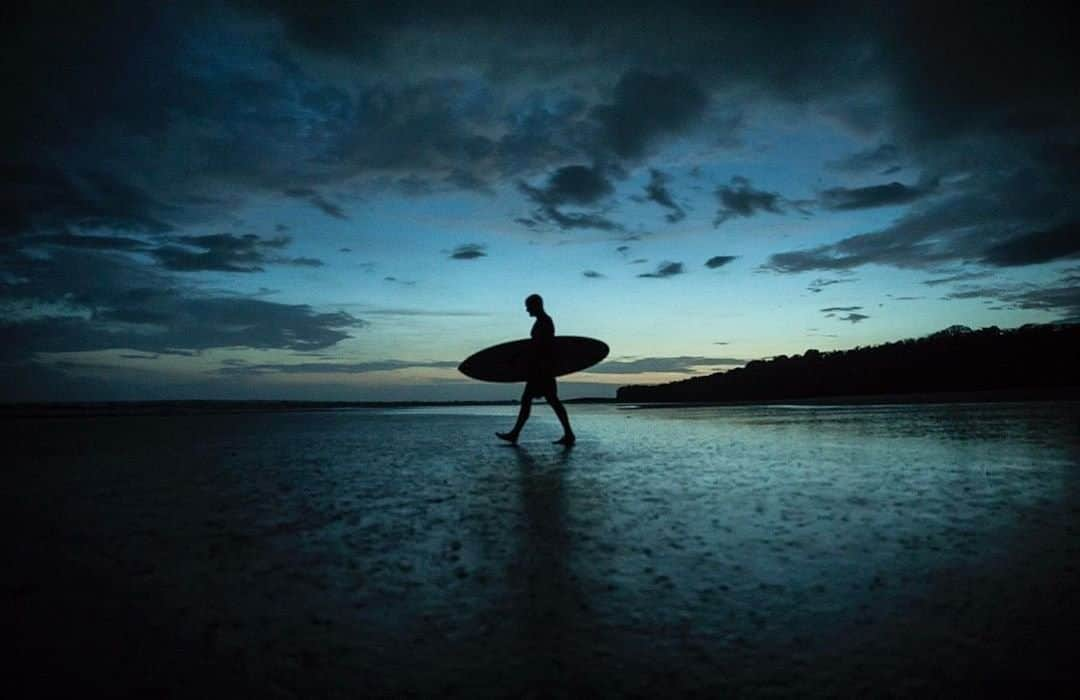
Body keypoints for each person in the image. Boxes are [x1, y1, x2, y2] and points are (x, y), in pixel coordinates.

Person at [497, 294, 576, 446]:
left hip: (541, 370)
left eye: (528, 306)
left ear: (536, 305)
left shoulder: (545, 322)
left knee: (536, 401)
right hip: (542, 369)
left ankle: (515, 434)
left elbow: (542, 348)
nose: (526, 310)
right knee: (551, 401)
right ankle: (568, 434)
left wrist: (529, 364)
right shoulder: (542, 321)